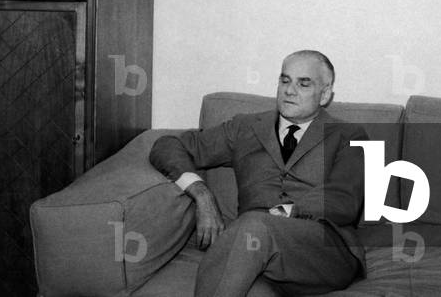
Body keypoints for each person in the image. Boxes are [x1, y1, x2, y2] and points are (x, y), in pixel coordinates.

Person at [149, 50, 368, 297]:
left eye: (303, 83)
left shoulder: (348, 135)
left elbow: (344, 200)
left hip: (322, 251)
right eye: (284, 80)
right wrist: (201, 193)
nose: (289, 90)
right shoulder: (246, 127)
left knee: (254, 226)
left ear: (325, 94)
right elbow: (167, 145)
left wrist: (287, 211)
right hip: (254, 255)